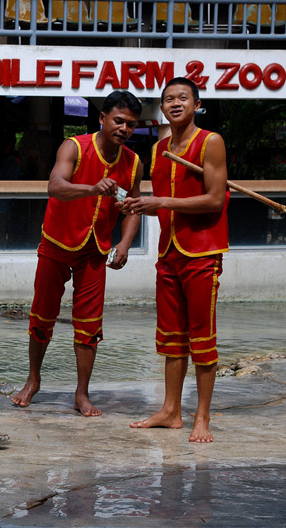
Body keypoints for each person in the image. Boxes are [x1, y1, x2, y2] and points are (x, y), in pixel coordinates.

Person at [12, 91, 144, 416]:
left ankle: (81, 394)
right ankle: (33, 380)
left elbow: (134, 208)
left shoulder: (134, 162)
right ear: (102, 118)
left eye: (130, 124)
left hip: (95, 250)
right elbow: (54, 185)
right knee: (42, 314)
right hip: (56, 243)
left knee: (89, 325)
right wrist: (91, 188)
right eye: (118, 120)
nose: (124, 128)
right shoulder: (75, 146)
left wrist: (124, 244)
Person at [123, 77, 230, 443]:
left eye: (183, 97)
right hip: (169, 252)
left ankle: (202, 416)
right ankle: (170, 411)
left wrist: (161, 203)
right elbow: (166, 200)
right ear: (162, 107)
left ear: (197, 104)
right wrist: (142, 206)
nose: (175, 103)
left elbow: (215, 199)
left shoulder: (210, 142)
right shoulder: (160, 147)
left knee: (202, 336)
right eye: (169, 99)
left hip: (201, 251)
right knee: (170, 338)